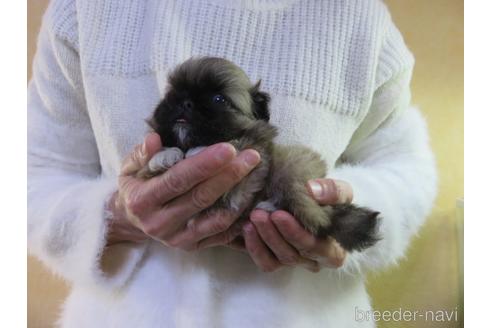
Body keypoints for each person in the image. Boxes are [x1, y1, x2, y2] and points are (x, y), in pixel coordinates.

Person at [27, 0, 437, 327]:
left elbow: (405, 169)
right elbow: (31, 170)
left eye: (218, 101)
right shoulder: (83, 9)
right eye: (178, 95)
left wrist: (328, 212)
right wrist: (115, 216)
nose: (187, 106)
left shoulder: (362, 19)